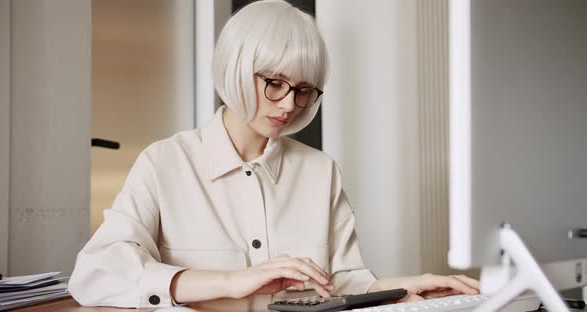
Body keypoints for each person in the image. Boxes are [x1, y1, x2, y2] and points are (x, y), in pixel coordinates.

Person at [68, 0, 479, 308]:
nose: (289, 105)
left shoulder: (321, 171)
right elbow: (96, 274)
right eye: (276, 83)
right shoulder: (164, 163)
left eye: (304, 90)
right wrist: (232, 281)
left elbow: (341, 282)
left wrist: (405, 289)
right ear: (234, 69)